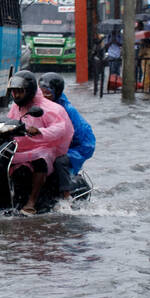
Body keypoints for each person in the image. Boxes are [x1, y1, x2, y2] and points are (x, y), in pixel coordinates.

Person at [6, 70, 74, 215]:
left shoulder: (49, 108)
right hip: (22, 147)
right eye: (14, 92)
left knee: (40, 159)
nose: (16, 95)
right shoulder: (15, 107)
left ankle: (32, 201)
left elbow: (60, 128)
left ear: (29, 91)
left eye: (19, 92)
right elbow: (8, 121)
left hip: (47, 147)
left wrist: (40, 132)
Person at [38, 73, 96, 203]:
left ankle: (65, 196)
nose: (44, 96)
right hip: (52, 145)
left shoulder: (66, 110)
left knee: (60, 161)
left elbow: (73, 135)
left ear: (56, 92)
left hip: (78, 147)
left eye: (47, 93)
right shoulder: (36, 105)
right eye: (41, 92)